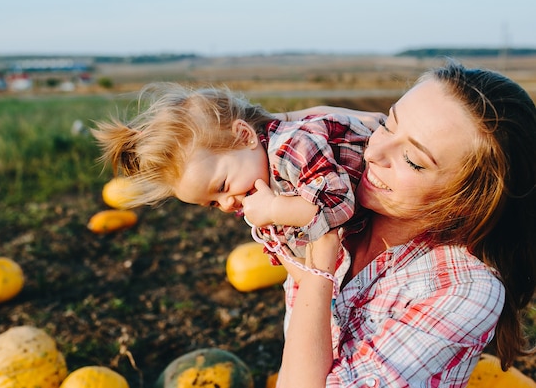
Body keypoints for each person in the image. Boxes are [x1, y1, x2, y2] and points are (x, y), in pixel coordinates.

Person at [276, 61, 536, 387]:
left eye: (412, 160)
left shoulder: (466, 291)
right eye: (388, 123)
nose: (374, 152)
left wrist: (318, 262)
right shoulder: (339, 194)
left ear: (469, 199)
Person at [92, 81, 377, 312]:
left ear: (244, 136)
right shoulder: (255, 183)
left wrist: (276, 209)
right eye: (213, 203)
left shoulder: (292, 146)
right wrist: (312, 298)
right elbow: (287, 254)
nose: (227, 204)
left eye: (223, 186)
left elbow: (337, 203)